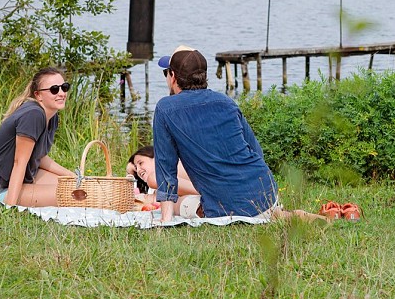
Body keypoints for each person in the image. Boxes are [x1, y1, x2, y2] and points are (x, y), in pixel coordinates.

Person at [153, 45, 281, 222]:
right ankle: (277, 213)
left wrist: (165, 219)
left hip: (226, 207)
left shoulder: (165, 108)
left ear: (173, 76)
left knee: (180, 204)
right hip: (266, 194)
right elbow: (256, 152)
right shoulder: (226, 102)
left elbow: (165, 165)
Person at [127, 144, 325, 221]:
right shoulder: (178, 160)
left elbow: (195, 189)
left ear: (153, 155)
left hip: (216, 202)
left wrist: (155, 197)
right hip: (245, 190)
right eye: (136, 172)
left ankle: (310, 218)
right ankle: (317, 218)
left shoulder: (160, 174)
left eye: (140, 163)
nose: (140, 171)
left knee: (178, 204)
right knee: (273, 216)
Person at [0, 67, 76, 206]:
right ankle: (7, 200)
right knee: (71, 196)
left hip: (25, 178)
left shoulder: (52, 115)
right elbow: (20, 163)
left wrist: (73, 176)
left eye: (64, 87)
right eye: (54, 89)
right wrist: (10, 207)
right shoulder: (33, 115)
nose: (61, 93)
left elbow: (39, 157)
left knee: (76, 187)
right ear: (38, 95)